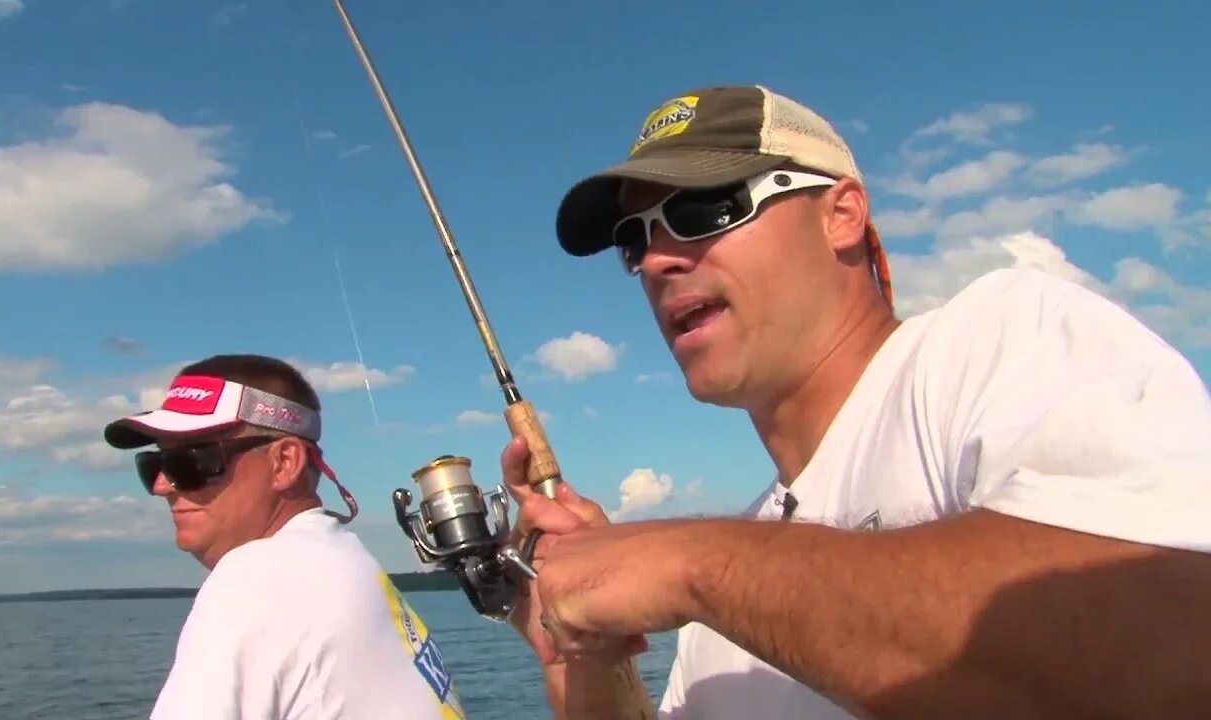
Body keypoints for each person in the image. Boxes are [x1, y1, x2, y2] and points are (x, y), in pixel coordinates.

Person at [499, 84, 1211, 719]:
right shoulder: (718, 628)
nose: (657, 260)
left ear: (841, 213)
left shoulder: (1000, 339)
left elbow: (1176, 644)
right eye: (635, 240)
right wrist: (587, 658)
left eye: (703, 208)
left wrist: (689, 563)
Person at [103, 353, 467, 719]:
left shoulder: (254, 578)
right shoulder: (342, 562)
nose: (163, 485)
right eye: (153, 464)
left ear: (285, 463)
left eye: (191, 462)